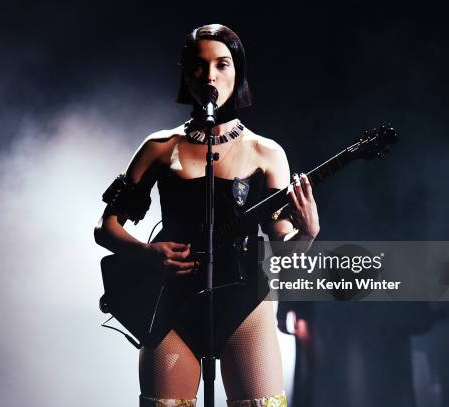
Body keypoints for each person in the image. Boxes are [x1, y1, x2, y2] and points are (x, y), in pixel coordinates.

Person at [94, 23, 320, 407]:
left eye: (222, 64)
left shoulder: (267, 153)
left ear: (238, 71)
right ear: (186, 73)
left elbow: (282, 249)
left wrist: (308, 233)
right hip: (171, 303)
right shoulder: (159, 147)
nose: (210, 76)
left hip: (245, 301)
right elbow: (106, 227)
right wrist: (149, 252)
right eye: (199, 66)